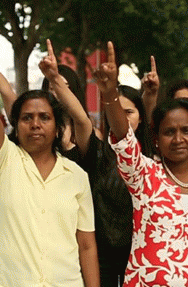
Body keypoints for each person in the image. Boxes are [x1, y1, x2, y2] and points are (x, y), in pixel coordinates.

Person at [0, 12, 99, 286]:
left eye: (44, 117)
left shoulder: (76, 175)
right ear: (16, 124)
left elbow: (87, 246)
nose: (35, 124)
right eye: (26, 118)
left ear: (58, 126)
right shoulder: (4, 160)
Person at [94, 41, 188, 286]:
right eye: (169, 132)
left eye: (187, 131)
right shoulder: (144, 174)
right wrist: (109, 93)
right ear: (156, 139)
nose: (179, 139)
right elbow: (124, 138)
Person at [39, 39, 153, 286]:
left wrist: (151, 96)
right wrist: (55, 81)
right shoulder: (98, 151)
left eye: (129, 112)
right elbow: (82, 121)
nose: (121, 117)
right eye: (116, 111)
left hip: (142, 251)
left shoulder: (150, 161)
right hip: (97, 252)